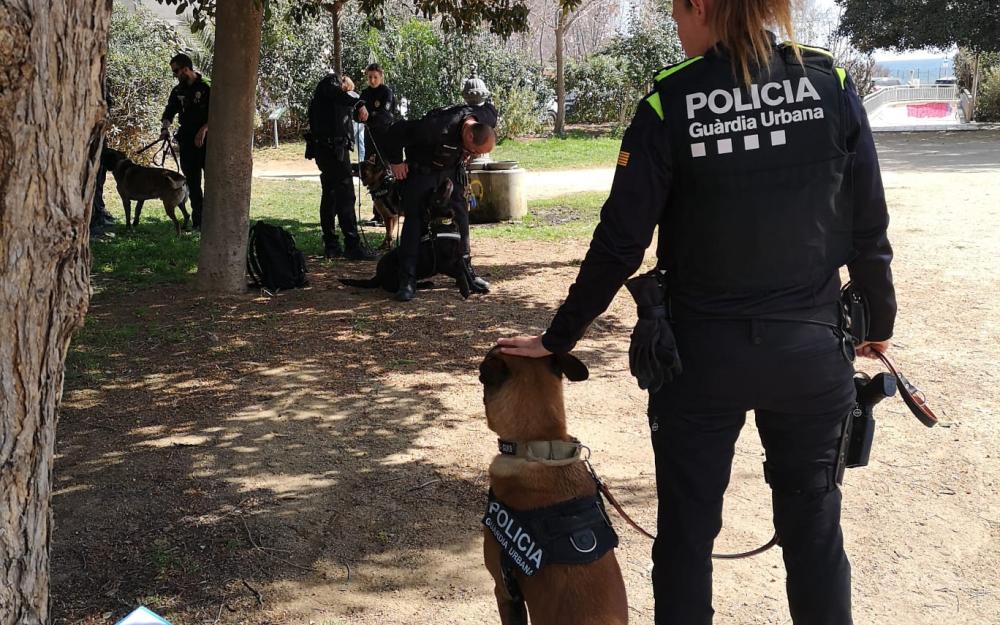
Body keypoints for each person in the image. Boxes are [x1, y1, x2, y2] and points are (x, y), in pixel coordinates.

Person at [497, 1, 896, 623]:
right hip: (811, 353)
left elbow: (620, 242)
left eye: (676, 11)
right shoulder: (830, 83)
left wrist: (559, 336)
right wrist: (879, 321)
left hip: (699, 359)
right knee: (814, 533)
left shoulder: (669, 100)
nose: (676, 27)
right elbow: (869, 224)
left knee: (686, 537)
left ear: (702, 6)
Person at [382, 100, 498, 301]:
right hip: (422, 172)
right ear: (469, 135)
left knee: (461, 217)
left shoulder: (485, 117)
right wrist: (396, 161)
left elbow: (489, 106)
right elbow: (396, 131)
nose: (474, 156)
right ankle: (407, 280)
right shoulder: (435, 127)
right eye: (474, 150)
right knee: (415, 221)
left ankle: (465, 271)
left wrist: (465, 152)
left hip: (450, 171)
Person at [306, 72, 374, 260]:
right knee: (345, 195)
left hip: (330, 150)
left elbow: (343, 110)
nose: (348, 93)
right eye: (348, 89)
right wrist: (359, 103)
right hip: (332, 151)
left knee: (330, 195)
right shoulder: (330, 83)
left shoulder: (330, 100)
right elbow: (339, 95)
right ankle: (352, 245)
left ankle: (332, 244)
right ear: (344, 83)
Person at [160, 53, 210, 229]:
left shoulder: (207, 87)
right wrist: (165, 128)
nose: (175, 75)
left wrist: (204, 129)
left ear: (186, 69)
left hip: (208, 143)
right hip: (187, 142)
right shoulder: (177, 91)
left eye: (176, 71)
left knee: (211, 183)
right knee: (193, 184)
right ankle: (199, 223)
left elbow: (218, 113)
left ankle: (213, 221)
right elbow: (169, 112)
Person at [359, 64, 396, 224]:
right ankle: (377, 213)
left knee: (385, 175)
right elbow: (357, 113)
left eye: (375, 77)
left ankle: (389, 210)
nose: (372, 80)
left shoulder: (386, 92)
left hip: (384, 138)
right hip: (369, 138)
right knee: (371, 175)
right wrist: (362, 115)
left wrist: (370, 115)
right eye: (370, 77)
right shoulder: (365, 94)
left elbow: (385, 116)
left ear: (381, 77)